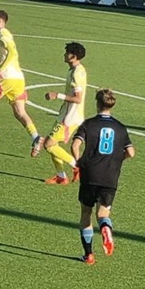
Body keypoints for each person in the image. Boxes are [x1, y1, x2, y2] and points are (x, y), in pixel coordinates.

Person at [71, 89, 135, 265]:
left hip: (90, 174)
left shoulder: (88, 124)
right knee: (102, 213)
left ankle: (89, 255)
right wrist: (117, 160)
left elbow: (75, 145)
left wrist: (78, 163)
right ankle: (105, 227)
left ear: (97, 103)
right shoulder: (120, 127)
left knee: (86, 213)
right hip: (110, 177)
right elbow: (131, 152)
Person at [0, 10, 42, 149]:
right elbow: (4, 56)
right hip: (18, 79)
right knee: (19, 112)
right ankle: (36, 137)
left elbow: (12, 53)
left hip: (7, 78)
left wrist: (0, 70)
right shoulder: (3, 34)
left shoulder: (2, 35)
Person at [34, 42, 87, 185]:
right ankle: (61, 176)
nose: (64, 55)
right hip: (65, 114)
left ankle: (76, 166)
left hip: (70, 117)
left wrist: (57, 95)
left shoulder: (76, 74)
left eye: (67, 53)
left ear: (73, 56)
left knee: (48, 144)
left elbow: (78, 99)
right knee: (52, 144)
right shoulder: (76, 69)